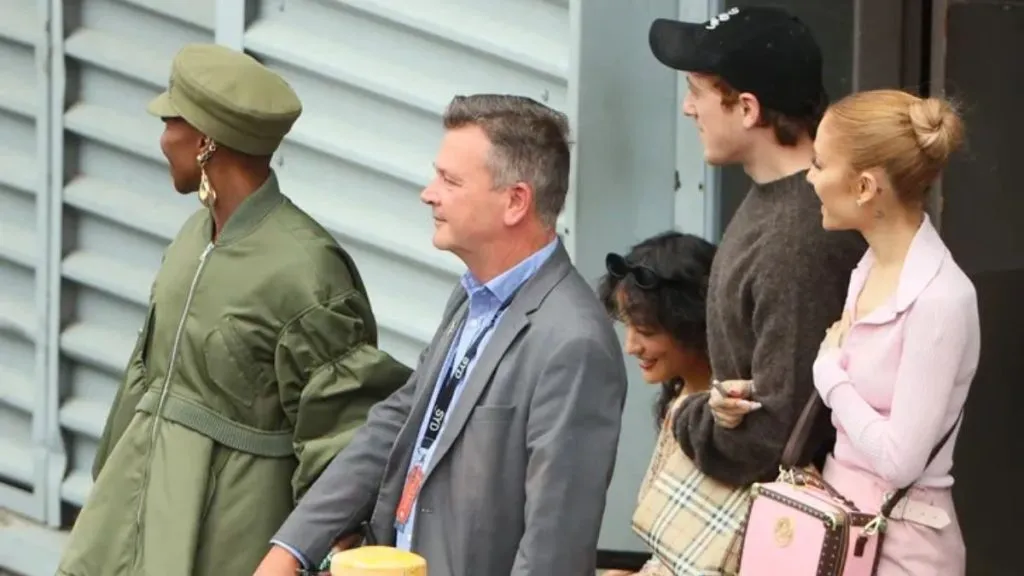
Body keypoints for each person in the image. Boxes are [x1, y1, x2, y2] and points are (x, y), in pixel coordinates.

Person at [56, 44, 411, 576]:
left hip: (234, 532)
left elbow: (341, 434)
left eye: (170, 122)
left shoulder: (307, 269)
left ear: (205, 142)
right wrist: (109, 491)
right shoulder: (194, 236)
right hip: (137, 516)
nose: (161, 139)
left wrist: (326, 549)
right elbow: (145, 377)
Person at [255, 94, 628, 576]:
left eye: (450, 181)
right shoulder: (473, 295)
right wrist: (292, 547)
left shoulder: (573, 342)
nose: (428, 194)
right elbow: (398, 421)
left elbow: (553, 548)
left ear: (516, 201)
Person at [647, 7, 866, 486]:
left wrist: (687, 416)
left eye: (696, 91)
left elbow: (776, 436)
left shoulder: (800, 240)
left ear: (747, 109)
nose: (688, 108)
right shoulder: (782, 201)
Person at [807, 89, 978, 574]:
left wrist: (829, 376)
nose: (810, 177)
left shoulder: (940, 298)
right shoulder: (868, 267)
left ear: (864, 187)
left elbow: (901, 461)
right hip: (842, 526)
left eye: (819, 164)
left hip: (902, 548)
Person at [597, 232, 717, 576]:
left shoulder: (723, 422)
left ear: (690, 322)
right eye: (628, 327)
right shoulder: (682, 399)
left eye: (646, 331)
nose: (630, 346)